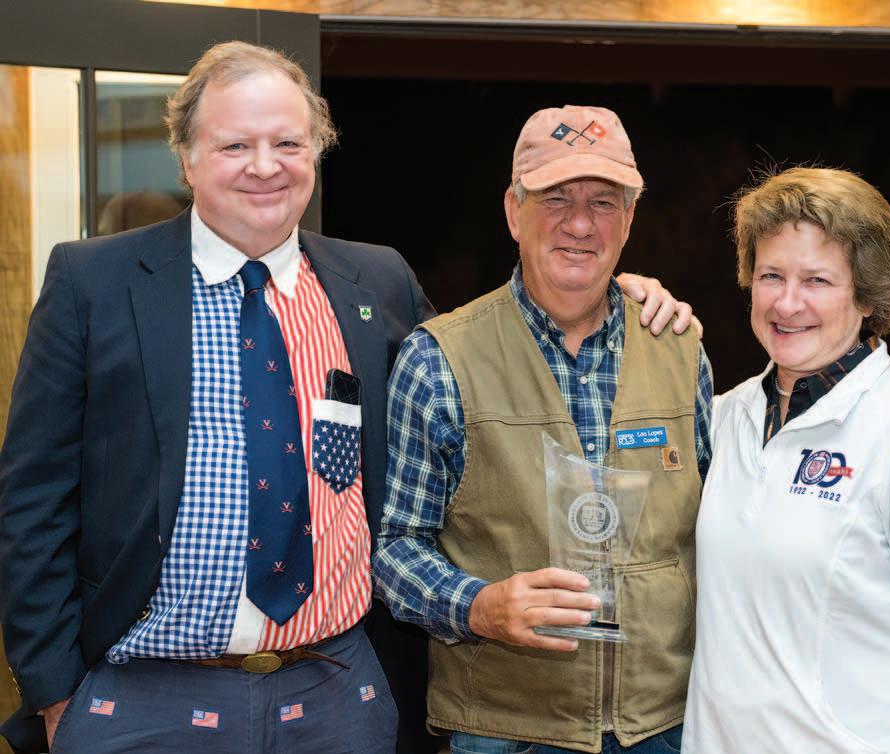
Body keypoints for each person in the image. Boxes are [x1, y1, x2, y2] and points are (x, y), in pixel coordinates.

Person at [0, 44, 692, 753]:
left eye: (288, 143)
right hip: (146, 697)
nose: (265, 166)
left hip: (335, 696)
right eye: (236, 144)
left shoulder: (376, 282)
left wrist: (616, 293)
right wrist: (54, 693)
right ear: (187, 157)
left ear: (316, 152)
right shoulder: (95, 284)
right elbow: (32, 501)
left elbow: (491, 361)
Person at [374, 105, 713, 754]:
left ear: (629, 219)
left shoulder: (680, 349)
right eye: (555, 198)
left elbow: (719, 533)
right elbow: (394, 548)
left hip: (665, 725)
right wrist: (478, 606)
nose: (580, 224)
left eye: (603, 202)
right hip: (507, 730)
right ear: (513, 211)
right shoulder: (439, 358)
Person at [682, 167, 890, 754]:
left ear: (866, 295)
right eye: (771, 275)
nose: (787, 302)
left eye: (817, 280)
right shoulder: (723, 417)